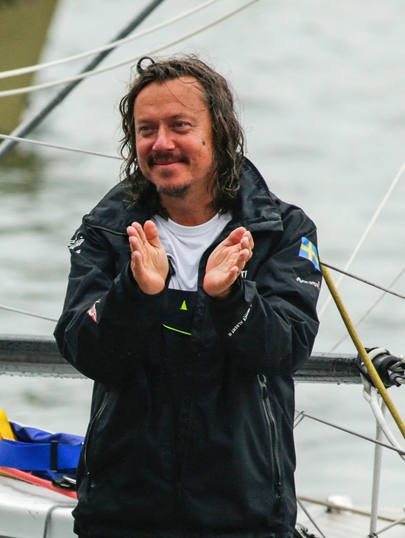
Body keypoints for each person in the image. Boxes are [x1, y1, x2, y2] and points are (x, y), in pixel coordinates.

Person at [54, 55, 323, 537]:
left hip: (245, 514)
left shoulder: (283, 230)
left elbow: (286, 349)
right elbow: (87, 352)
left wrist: (232, 300)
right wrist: (135, 293)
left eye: (180, 126)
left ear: (219, 132)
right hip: (121, 513)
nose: (162, 144)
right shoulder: (106, 231)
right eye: (146, 129)